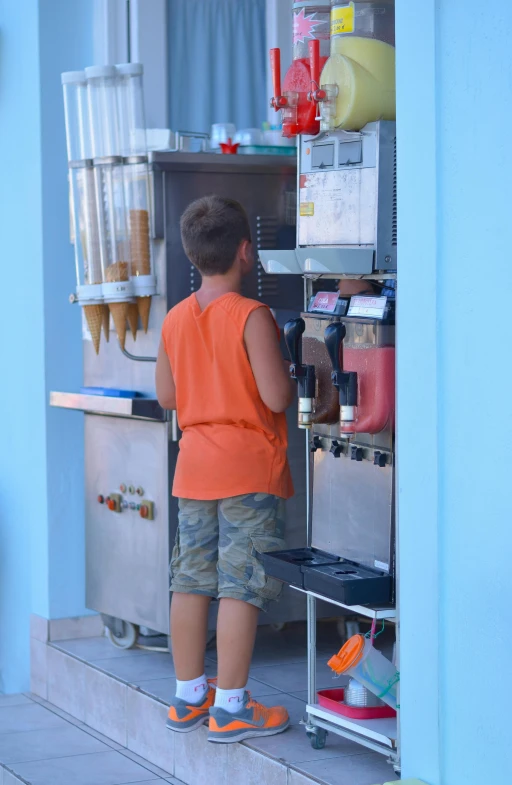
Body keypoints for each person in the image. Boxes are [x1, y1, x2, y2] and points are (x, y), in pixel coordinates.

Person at [155, 195, 294, 744]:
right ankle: (233, 707)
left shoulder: (175, 319)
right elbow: (278, 396)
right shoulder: (252, 315)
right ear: (245, 250)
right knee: (240, 586)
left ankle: (190, 696)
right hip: (246, 471)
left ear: (192, 255)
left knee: (189, 581)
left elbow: (168, 396)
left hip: (194, 470)